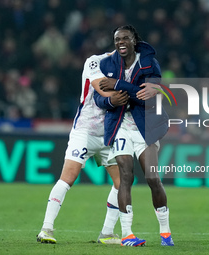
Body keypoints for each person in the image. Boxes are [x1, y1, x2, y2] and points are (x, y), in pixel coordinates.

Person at [36, 52, 129, 244]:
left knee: (123, 182)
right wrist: (132, 93)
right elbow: (103, 90)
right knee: (68, 178)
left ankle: (107, 233)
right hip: (85, 131)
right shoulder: (95, 61)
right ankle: (46, 229)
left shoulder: (128, 69)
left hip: (109, 133)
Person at [94, 25, 174, 246]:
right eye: (117, 39)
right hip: (120, 126)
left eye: (125, 38)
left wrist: (119, 85)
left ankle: (165, 232)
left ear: (134, 40)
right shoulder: (107, 64)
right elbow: (98, 98)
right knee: (125, 178)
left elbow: (147, 99)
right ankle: (127, 234)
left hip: (144, 127)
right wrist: (110, 100)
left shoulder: (149, 63)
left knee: (152, 178)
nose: (120, 42)